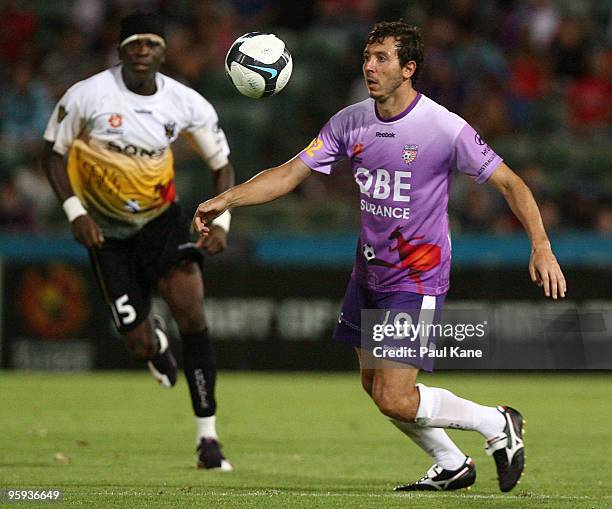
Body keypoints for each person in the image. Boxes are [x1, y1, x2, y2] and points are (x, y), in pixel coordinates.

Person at [194, 21, 567, 491]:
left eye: (382, 58)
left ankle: (497, 423)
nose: (370, 66)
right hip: (368, 274)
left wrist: (541, 244)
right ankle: (452, 464)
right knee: (375, 387)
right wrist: (226, 199)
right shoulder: (351, 121)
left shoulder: (443, 128)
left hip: (417, 276)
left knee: (395, 396)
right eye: (367, 57)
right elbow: (290, 174)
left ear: (408, 68)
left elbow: (511, 183)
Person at [41, 13, 234, 470]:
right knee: (138, 345)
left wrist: (223, 222)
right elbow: (52, 155)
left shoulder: (187, 103)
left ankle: (208, 439)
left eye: (152, 42)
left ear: (164, 51)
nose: (143, 50)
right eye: (134, 43)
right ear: (120, 50)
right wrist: (76, 212)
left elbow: (221, 165)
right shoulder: (87, 96)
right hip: (105, 233)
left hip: (161, 223)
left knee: (193, 313)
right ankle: (155, 346)